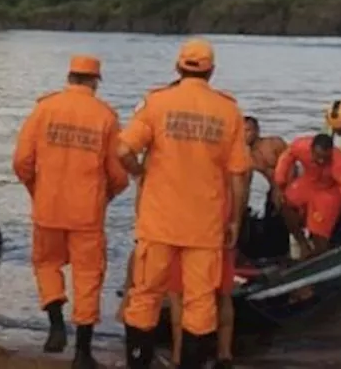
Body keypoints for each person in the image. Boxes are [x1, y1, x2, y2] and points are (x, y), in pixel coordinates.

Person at [116, 38, 251, 369]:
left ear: (177, 67)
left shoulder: (156, 102)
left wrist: (140, 173)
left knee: (145, 296)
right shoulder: (228, 110)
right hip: (204, 227)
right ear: (212, 71)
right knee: (200, 303)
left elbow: (122, 151)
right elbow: (238, 174)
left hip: (158, 221)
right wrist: (233, 221)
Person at [12, 55, 128, 369]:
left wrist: (37, 190)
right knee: (88, 278)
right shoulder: (106, 116)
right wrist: (105, 196)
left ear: (70, 76)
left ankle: (55, 323)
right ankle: (82, 353)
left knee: (46, 264)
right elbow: (118, 175)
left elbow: (21, 161)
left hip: (48, 207)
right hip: (87, 213)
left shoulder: (44, 109)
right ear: (95, 80)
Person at [167, 162, 250, 369]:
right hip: (216, 224)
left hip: (181, 228)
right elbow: (239, 182)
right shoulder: (224, 150)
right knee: (222, 293)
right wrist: (235, 221)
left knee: (179, 295)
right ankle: (224, 353)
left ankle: (179, 355)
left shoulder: (178, 154)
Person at [274, 134, 341, 259]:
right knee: (284, 202)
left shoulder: (340, 164)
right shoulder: (300, 145)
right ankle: (303, 244)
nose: (321, 161)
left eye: (325, 158)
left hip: (329, 191)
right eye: (317, 157)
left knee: (319, 237)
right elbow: (286, 157)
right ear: (311, 149)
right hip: (308, 182)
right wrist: (279, 183)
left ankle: (318, 254)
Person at [244, 116, 287, 208]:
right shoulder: (243, 155)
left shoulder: (274, 143)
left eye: (247, 130)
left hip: (286, 186)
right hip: (265, 193)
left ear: (257, 131)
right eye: (241, 131)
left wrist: (280, 190)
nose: (244, 135)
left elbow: (290, 164)